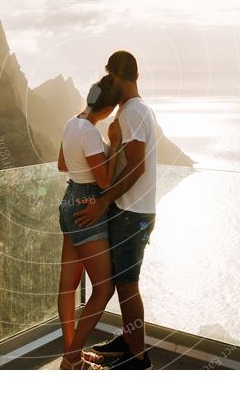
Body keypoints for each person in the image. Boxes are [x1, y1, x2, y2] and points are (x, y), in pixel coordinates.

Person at [75, 51, 157, 370]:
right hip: (135, 210)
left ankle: (137, 357)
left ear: (120, 77)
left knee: (126, 284)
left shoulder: (131, 113)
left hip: (130, 212)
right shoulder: (135, 111)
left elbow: (135, 167)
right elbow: (128, 160)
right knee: (124, 281)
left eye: (111, 76)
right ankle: (128, 340)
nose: (109, 82)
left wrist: (103, 201)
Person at [56, 74, 123, 369]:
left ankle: (72, 354)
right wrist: (117, 144)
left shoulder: (72, 124)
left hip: (70, 200)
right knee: (104, 287)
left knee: (68, 286)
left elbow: (62, 165)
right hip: (87, 206)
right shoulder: (92, 133)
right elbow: (106, 180)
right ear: (107, 109)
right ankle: (72, 357)